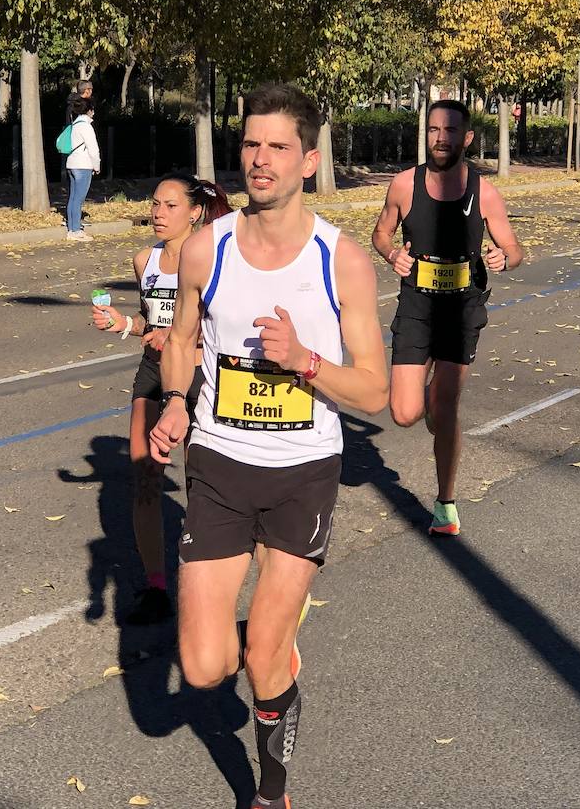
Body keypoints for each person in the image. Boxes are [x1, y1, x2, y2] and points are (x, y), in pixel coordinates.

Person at [150, 82, 388, 809]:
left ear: (308, 160)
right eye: (252, 143)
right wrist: (172, 402)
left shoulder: (340, 260)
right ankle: (269, 639)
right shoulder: (203, 250)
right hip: (219, 468)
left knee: (261, 660)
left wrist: (305, 363)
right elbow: (183, 343)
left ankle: (271, 791)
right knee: (202, 666)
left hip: (303, 474)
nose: (261, 159)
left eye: (278, 146)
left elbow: (375, 391)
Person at [371, 99, 525, 538]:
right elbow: (381, 232)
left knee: (445, 407)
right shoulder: (404, 184)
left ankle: (445, 502)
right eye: (435, 130)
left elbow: (515, 249)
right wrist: (391, 253)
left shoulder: (484, 191)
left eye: (450, 131)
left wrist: (502, 257)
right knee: (404, 412)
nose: (441, 138)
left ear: (467, 138)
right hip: (417, 303)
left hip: (461, 308)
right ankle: (428, 398)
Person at [89, 173, 231, 625]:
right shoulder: (143, 260)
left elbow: (227, 329)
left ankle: (203, 584)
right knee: (145, 478)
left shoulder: (210, 260)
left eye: (170, 206)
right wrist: (123, 325)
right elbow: (149, 324)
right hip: (154, 375)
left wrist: (184, 338)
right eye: (154, 204)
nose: (158, 213)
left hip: (202, 375)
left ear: (194, 212)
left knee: (201, 485)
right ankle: (156, 587)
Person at [64, 99, 100, 242]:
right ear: (89, 110)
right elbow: (93, 148)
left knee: (72, 198)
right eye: (93, 110)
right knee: (79, 199)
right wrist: (96, 166)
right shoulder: (86, 127)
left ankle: (72, 227)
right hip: (83, 165)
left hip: (71, 164)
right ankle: (75, 231)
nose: (94, 113)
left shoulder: (74, 125)